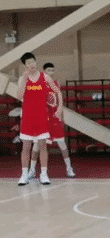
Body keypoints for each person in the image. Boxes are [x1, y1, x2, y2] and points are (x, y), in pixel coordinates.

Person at [16, 52, 63, 186]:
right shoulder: (23, 79)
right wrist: (24, 80)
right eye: (28, 63)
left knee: (43, 146)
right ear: (25, 66)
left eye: (33, 61)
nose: (32, 64)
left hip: (42, 117)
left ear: (36, 62)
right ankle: (24, 175)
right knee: (26, 147)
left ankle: (44, 174)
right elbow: (18, 97)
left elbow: (57, 92)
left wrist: (60, 108)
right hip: (27, 118)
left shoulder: (45, 77)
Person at [28, 62, 75, 179]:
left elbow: (59, 100)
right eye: (49, 70)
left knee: (62, 145)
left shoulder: (56, 84)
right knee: (36, 146)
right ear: (44, 71)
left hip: (55, 119)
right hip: (42, 119)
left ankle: (69, 169)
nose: (51, 72)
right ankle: (32, 170)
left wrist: (60, 114)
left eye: (52, 70)